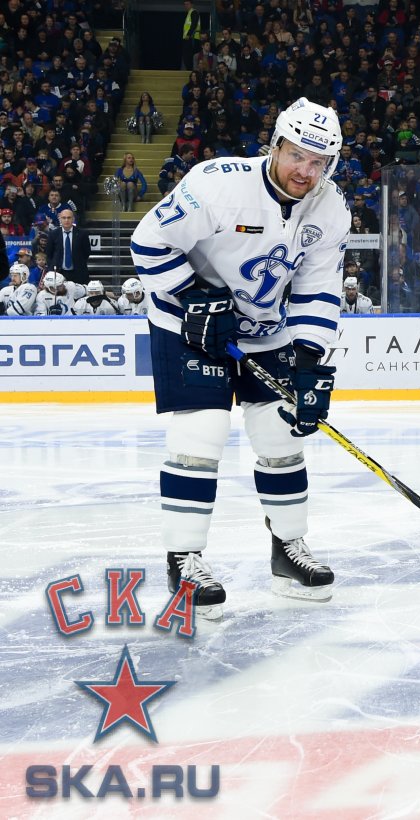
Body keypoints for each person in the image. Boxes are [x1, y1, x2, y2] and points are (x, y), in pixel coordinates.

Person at [129, 97, 350, 620]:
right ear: (275, 145)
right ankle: (184, 559)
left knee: (279, 435)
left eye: (319, 162)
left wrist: (308, 361)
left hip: (264, 330)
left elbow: (319, 288)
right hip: (185, 323)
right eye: (297, 155)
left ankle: (288, 551)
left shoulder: (331, 208)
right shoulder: (216, 183)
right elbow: (148, 243)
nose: (305, 171)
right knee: (201, 433)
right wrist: (192, 298)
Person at [47, 209, 90, 285]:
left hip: (78, 273)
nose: (66, 220)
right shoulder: (53, 234)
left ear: (73, 219)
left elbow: (86, 252)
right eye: (64, 218)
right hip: (59, 273)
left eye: (69, 218)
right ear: (60, 219)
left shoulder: (82, 234)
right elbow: (49, 253)